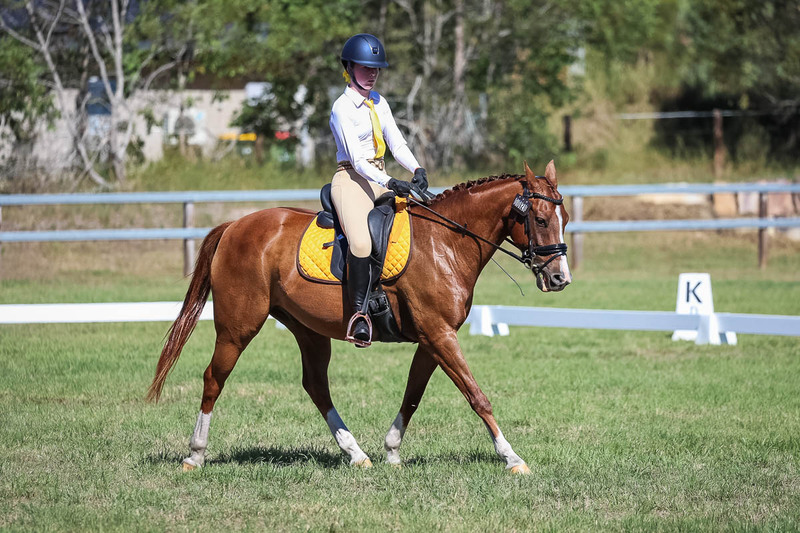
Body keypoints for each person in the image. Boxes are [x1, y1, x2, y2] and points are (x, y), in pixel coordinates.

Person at [329, 33, 428, 347]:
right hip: (351, 179)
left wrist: (416, 169)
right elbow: (358, 161)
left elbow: (396, 142)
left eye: (376, 69)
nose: (371, 73)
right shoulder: (342, 108)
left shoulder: (378, 102)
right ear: (349, 67)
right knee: (360, 243)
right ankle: (359, 315)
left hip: (380, 176)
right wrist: (390, 182)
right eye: (364, 67)